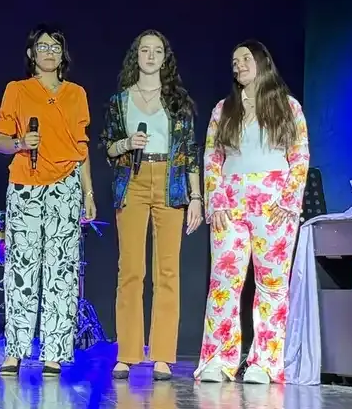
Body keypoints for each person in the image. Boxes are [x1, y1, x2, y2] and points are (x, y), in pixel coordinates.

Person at [198, 39, 308, 384]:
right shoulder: (223, 109)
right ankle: (218, 359)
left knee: (271, 284)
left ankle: (265, 362)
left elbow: (300, 156)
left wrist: (289, 201)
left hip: (273, 203)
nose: (239, 65)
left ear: (262, 62)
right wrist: (215, 200)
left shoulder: (287, 106)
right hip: (230, 202)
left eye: (245, 58)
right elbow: (211, 157)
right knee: (223, 281)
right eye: (234, 61)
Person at [0, 25, 96, 375]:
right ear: (31, 54)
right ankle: (15, 351)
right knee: (21, 268)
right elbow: (0, 140)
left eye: (55, 46)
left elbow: (82, 147)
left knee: (61, 271)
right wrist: (21, 143)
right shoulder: (17, 90)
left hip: (65, 185)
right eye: (42, 46)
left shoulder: (76, 93)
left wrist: (88, 192)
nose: (49, 52)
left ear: (63, 54)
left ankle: (54, 353)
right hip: (25, 184)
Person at [102, 30, 202, 381]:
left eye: (157, 51)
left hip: (170, 180)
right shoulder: (120, 101)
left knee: (167, 271)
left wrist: (196, 197)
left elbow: (190, 152)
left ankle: (162, 355)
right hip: (133, 178)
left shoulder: (177, 101)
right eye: (144, 50)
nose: (150, 56)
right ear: (137, 56)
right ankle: (128, 353)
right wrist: (127, 143)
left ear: (164, 58)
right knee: (130, 269)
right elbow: (108, 147)